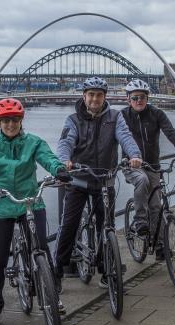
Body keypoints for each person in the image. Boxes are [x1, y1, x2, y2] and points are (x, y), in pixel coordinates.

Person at [0, 98, 72, 325]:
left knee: (42, 251)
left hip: (30, 203)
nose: (10, 125)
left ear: (21, 120)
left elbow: (48, 158)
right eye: (5, 121)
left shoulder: (33, 142)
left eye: (14, 120)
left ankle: (53, 296)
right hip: (1, 206)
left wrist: (59, 170)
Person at [54, 76, 142, 290]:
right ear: (84, 97)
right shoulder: (73, 120)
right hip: (79, 180)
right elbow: (66, 141)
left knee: (107, 225)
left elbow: (125, 136)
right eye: (91, 94)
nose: (95, 99)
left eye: (99, 95)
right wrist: (64, 161)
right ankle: (57, 270)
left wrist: (135, 155)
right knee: (69, 226)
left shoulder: (115, 117)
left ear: (105, 97)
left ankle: (106, 271)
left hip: (105, 180)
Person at [120, 79, 175, 261]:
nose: (139, 101)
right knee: (142, 181)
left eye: (143, 97)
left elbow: (171, 133)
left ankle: (161, 245)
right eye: (135, 97)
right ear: (128, 99)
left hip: (153, 165)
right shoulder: (122, 116)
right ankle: (139, 222)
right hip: (130, 165)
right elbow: (113, 138)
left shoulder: (156, 114)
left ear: (148, 98)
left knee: (156, 206)